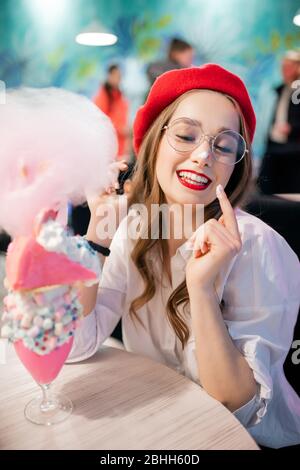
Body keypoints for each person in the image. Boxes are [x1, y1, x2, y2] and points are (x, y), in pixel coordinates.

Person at [68, 64, 300, 449]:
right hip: (160, 421)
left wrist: (201, 289)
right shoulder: (135, 229)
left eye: (224, 145)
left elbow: (236, 404)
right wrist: (96, 239)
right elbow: (77, 344)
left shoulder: (259, 246)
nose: (204, 154)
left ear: (234, 165)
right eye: (186, 135)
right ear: (154, 143)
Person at [258, 50, 300, 194]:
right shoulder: (279, 89)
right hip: (274, 144)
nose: (285, 70)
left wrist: (293, 128)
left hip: (293, 148)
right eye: (284, 67)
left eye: (289, 67)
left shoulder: (297, 89)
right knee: (267, 187)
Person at [94, 64, 130, 160]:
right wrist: (120, 129)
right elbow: (100, 121)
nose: (117, 78)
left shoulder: (119, 96)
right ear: (109, 76)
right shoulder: (102, 96)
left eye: (119, 76)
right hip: (108, 147)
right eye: (115, 75)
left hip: (121, 147)